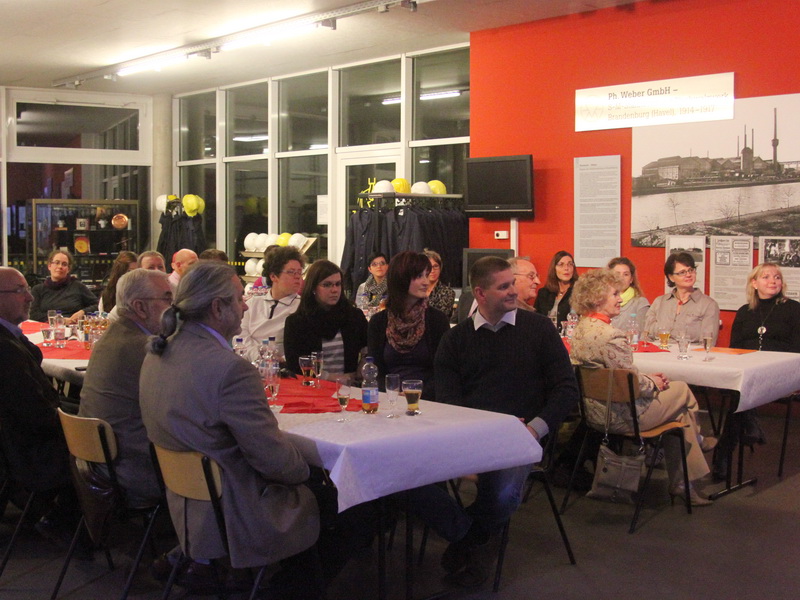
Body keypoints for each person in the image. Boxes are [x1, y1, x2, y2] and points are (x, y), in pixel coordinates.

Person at [139, 262, 323, 597]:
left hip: (186, 500)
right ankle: (283, 587)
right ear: (217, 308)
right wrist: (309, 471)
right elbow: (273, 459)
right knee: (337, 498)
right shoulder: (230, 369)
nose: (246, 306)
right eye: (239, 298)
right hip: (235, 507)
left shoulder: (158, 352)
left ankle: (239, 573)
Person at [417, 256, 578, 588]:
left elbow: (566, 390)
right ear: (480, 293)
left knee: (502, 492)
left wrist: (533, 429)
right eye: (504, 286)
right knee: (409, 476)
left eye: (512, 283)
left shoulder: (539, 330)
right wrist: (479, 430)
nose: (514, 292)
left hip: (522, 437)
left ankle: (470, 543)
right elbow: (448, 400)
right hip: (468, 434)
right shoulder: (456, 339)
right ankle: (472, 536)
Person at [569, 268, 715, 506]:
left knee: (681, 415)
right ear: (597, 299)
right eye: (615, 294)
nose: (620, 299)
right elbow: (631, 386)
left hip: (594, 414)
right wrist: (653, 382)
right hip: (624, 416)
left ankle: (683, 483)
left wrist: (646, 378)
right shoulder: (611, 335)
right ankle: (695, 447)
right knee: (681, 389)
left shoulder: (580, 329)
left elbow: (617, 377)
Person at [79, 269, 173, 505]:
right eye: (167, 299)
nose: (175, 308)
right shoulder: (144, 348)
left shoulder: (113, 335)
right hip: (136, 470)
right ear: (140, 307)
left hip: (98, 464)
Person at [0, 267, 80, 543]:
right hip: (26, 453)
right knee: (101, 445)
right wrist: (77, 424)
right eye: (19, 291)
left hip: (16, 446)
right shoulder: (5, 349)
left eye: (27, 288)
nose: (30, 297)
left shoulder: (10, 337)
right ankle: (65, 520)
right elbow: (35, 414)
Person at [717, 262, 800, 479]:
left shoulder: (793, 309)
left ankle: (722, 453)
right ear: (754, 283)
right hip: (749, 372)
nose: (773, 281)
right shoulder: (745, 311)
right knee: (740, 390)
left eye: (777, 277)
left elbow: (797, 349)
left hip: (781, 372)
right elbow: (734, 349)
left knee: (740, 396)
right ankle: (750, 424)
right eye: (766, 277)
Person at [367, 251, 450, 401]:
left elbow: (444, 372)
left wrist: (416, 392)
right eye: (419, 276)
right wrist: (392, 393)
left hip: (428, 400)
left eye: (426, 275)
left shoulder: (436, 320)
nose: (426, 282)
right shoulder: (379, 322)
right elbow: (375, 371)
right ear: (401, 279)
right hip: (389, 400)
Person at [284, 260, 368, 380]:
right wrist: (333, 378)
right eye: (327, 285)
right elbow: (295, 366)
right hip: (313, 386)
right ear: (313, 288)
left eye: (338, 284)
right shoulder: (297, 323)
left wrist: (363, 364)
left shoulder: (353, 316)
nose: (334, 290)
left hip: (349, 386)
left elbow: (370, 346)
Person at [239, 246, 305, 362]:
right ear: (273, 276)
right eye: (291, 272)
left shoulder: (302, 308)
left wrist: (277, 360)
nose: (297, 277)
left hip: (282, 366)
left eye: (299, 272)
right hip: (249, 363)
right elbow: (241, 337)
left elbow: (300, 347)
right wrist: (260, 358)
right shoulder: (252, 304)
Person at [644, 252, 720, 344]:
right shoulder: (659, 302)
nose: (688, 275)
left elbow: (707, 344)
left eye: (691, 270)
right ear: (671, 277)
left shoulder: (709, 305)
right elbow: (646, 337)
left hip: (689, 352)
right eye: (682, 272)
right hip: (657, 351)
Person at [30, 249, 98, 323]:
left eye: (64, 264)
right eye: (57, 263)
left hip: (73, 326)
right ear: (49, 266)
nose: (60, 266)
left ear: (68, 269)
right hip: (47, 327)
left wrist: (83, 312)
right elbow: (33, 314)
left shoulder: (78, 286)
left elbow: (98, 305)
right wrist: (59, 320)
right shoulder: (38, 290)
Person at [534, 250, 578, 326]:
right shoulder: (544, 293)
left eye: (570, 264)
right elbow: (536, 319)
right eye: (561, 265)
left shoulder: (580, 292)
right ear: (554, 268)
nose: (566, 268)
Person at [607, 256, 649, 332]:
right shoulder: (601, 301)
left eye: (625, 274)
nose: (621, 278)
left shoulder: (640, 303)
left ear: (631, 279)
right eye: (617, 274)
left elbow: (641, 332)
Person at [423, 249, 456, 319]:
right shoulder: (415, 290)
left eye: (435, 266)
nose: (432, 270)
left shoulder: (448, 292)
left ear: (440, 268)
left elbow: (439, 316)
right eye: (428, 267)